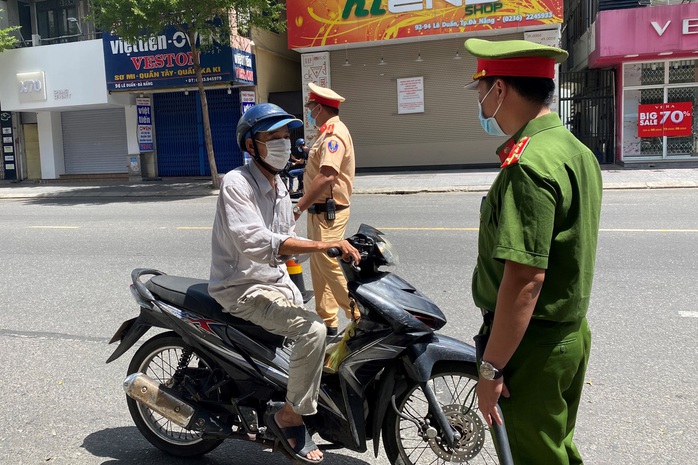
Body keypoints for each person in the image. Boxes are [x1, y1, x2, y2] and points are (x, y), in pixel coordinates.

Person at [463, 38, 602, 465]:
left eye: (482, 91)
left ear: (499, 89)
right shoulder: (574, 150)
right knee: (555, 449)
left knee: (535, 457)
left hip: (532, 348)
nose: (482, 104)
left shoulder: (528, 165)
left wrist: (490, 369)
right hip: (568, 336)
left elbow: (524, 281)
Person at [208, 103, 360, 464]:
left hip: (271, 283)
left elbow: (286, 243)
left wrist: (334, 250)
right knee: (313, 332)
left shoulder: (277, 187)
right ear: (251, 146)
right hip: (240, 288)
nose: (283, 144)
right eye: (272, 138)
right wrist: (323, 243)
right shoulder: (236, 184)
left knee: (311, 336)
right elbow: (258, 243)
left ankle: (284, 392)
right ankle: (289, 416)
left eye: (285, 136)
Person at [293, 83, 357, 336]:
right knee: (319, 266)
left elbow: (327, 176)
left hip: (328, 211)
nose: (309, 112)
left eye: (310, 108)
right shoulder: (327, 133)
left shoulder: (333, 135)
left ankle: (360, 316)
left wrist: (298, 206)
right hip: (319, 212)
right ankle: (328, 321)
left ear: (319, 108)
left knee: (329, 264)